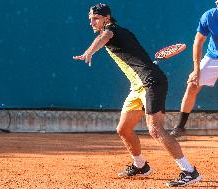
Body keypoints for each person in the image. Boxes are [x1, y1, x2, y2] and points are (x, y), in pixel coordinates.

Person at [73, 3, 202, 187]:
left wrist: (89, 51)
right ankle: (140, 165)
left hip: (151, 82)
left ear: (106, 18)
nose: (92, 22)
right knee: (123, 129)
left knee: (155, 130)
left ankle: (189, 171)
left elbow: (106, 36)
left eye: (96, 18)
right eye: (90, 19)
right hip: (137, 86)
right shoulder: (122, 33)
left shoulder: (111, 31)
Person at [170, 1, 218, 138]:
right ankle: (180, 127)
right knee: (192, 85)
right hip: (213, 57)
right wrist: (196, 69)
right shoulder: (210, 16)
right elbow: (199, 41)